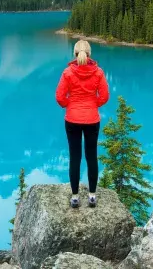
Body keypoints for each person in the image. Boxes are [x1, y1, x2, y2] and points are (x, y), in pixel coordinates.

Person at [55, 40, 110, 208]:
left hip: (72, 119)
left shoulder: (68, 72)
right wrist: (94, 104)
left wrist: (69, 104)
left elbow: (59, 96)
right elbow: (105, 96)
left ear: (75, 53)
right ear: (89, 54)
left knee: (75, 157)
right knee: (91, 156)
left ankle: (75, 197)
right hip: (92, 119)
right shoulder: (98, 72)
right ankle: (92, 196)